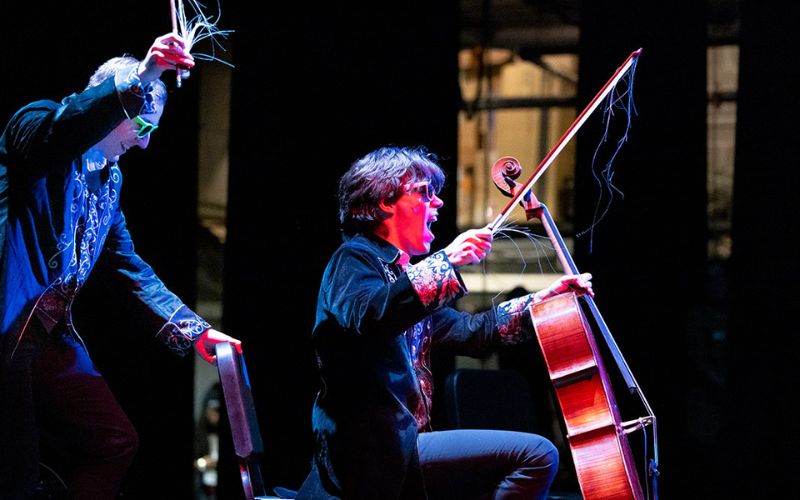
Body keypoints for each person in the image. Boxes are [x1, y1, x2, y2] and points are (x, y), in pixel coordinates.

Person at [0, 33, 241, 499]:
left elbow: (128, 266)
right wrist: (145, 74)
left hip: (47, 337)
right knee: (15, 471)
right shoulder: (35, 125)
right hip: (7, 329)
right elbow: (62, 131)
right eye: (143, 129)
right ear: (116, 104)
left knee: (112, 440)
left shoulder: (109, 182)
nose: (146, 146)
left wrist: (196, 330)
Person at [296, 146, 593, 499]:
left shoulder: (399, 274)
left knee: (516, 463)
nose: (437, 204)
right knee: (535, 456)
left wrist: (547, 302)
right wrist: (446, 260)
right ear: (385, 201)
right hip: (370, 454)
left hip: (399, 450)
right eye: (424, 193)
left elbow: (472, 333)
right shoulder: (353, 259)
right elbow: (370, 316)